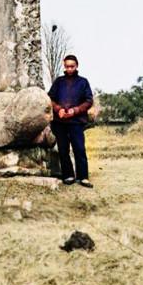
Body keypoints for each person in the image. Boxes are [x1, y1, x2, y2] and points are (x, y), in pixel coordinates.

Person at [48, 54, 94, 188]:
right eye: (67, 66)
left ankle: (83, 177)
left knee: (79, 149)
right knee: (63, 150)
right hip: (60, 122)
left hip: (77, 122)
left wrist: (76, 110)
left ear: (77, 66)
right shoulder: (59, 82)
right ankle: (68, 175)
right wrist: (58, 109)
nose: (69, 69)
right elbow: (50, 99)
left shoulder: (83, 82)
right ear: (64, 65)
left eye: (72, 66)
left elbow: (89, 101)